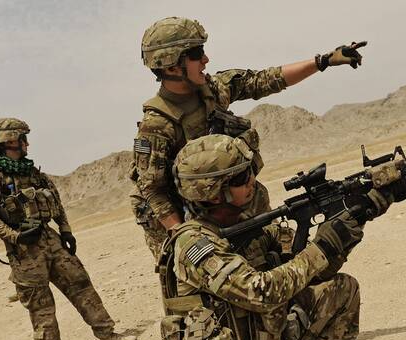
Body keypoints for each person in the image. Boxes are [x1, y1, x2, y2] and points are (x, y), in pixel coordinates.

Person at [158, 134, 392, 340]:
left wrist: (351, 225)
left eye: (252, 170)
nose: (252, 181)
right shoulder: (195, 245)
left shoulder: (247, 223)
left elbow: (307, 274)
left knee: (342, 289)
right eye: (242, 176)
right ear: (214, 192)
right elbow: (262, 292)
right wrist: (322, 248)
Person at [131, 16, 367, 259]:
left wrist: (324, 61)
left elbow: (264, 80)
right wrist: (184, 238)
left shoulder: (212, 89)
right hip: (198, 221)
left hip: (234, 202)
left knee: (276, 263)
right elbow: (153, 190)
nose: (206, 59)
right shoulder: (157, 126)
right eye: (196, 53)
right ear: (171, 67)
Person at [0, 118, 137, 340]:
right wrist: (16, 236)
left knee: (81, 285)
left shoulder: (32, 172)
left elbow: (56, 201)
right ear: (8, 142)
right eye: (22, 138)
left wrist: (65, 230)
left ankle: (108, 336)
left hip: (50, 240)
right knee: (41, 306)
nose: (27, 143)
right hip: (24, 252)